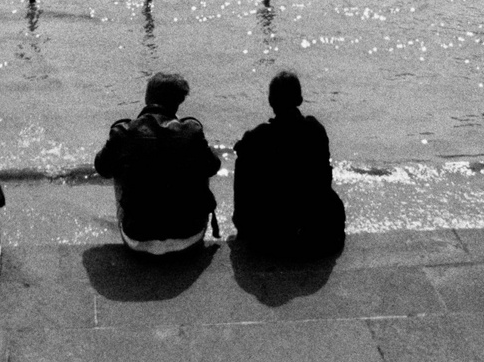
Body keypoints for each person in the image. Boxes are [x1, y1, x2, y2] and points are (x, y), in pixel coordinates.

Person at [94, 72, 222, 255]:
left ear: (147, 97)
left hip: (137, 239)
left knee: (120, 161)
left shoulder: (123, 132)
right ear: (179, 102)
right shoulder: (192, 131)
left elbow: (102, 168)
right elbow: (213, 167)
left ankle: (137, 216)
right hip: (189, 236)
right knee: (199, 160)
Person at [232, 70, 345, 257]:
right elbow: (324, 176)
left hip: (270, 239)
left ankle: (243, 224)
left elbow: (240, 150)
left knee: (243, 160)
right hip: (319, 234)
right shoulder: (315, 130)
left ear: (271, 101)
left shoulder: (259, 136)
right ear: (299, 99)